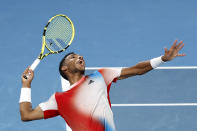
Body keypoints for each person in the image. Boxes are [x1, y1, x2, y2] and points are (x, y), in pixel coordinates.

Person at [20, 40, 185, 131]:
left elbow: (137, 69)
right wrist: (26, 85)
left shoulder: (100, 76)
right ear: (64, 68)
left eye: (80, 56)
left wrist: (162, 59)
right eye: (73, 57)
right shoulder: (58, 99)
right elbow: (26, 115)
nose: (80, 57)